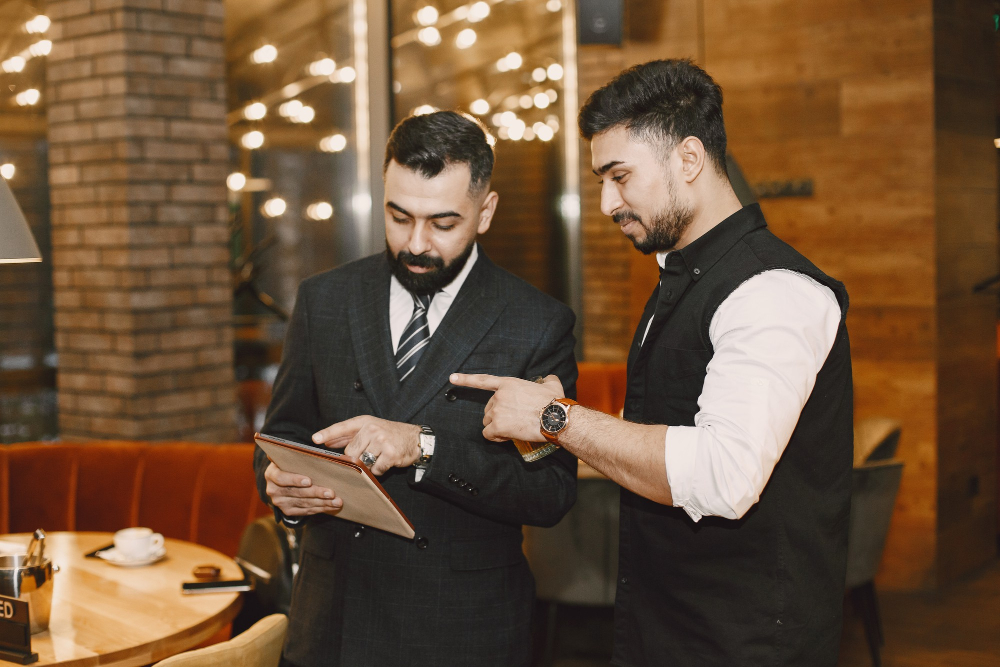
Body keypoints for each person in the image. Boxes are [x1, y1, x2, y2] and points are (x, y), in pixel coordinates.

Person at [452, 59, 853, 666]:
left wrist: (556, 419)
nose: (607, 202)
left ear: (688, 159)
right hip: (669, 627)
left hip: (745, 645)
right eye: (601, 181)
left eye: (620, 176)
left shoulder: (771, 291)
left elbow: (723, 476)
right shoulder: (685, 277)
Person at [253, 111, 579, 667]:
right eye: (398, 217)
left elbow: (548, 494)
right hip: (334, 621)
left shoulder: (535, 323)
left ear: (486, 212)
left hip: (461, 630)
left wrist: (425, 447)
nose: (416, 243)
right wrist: (281, 490)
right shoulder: (324, 300)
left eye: (442, 223)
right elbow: (283, 433)